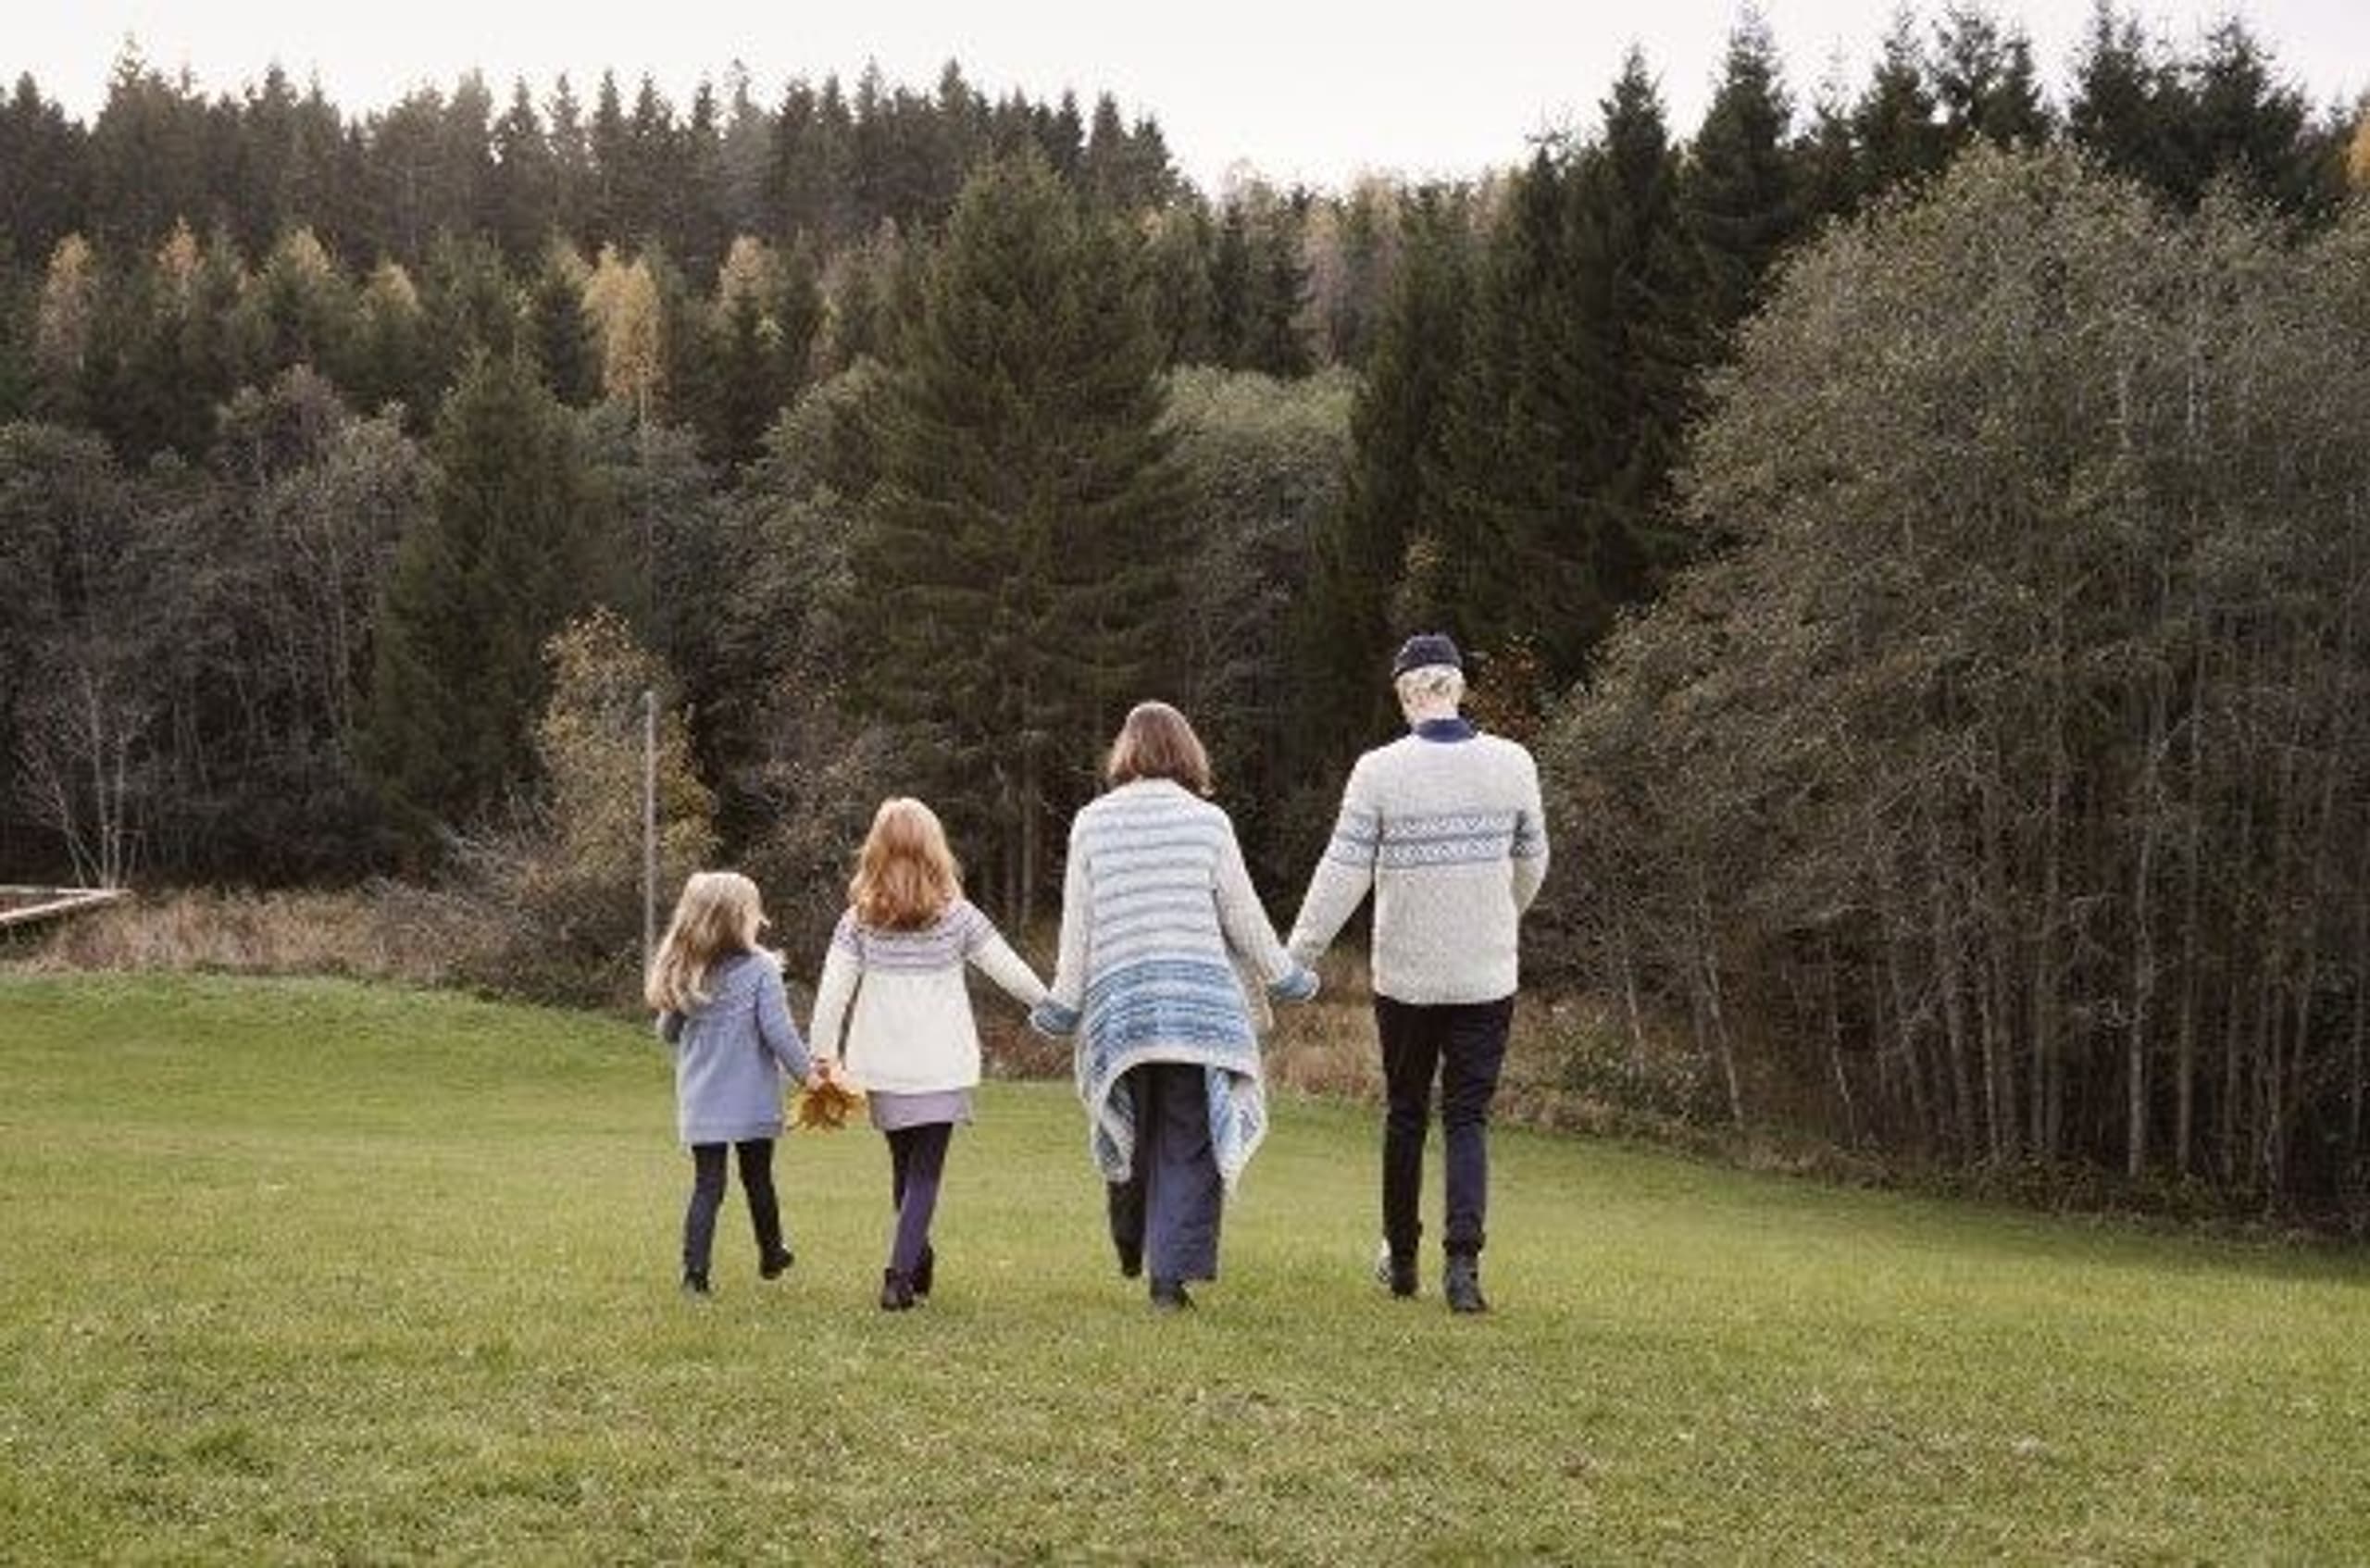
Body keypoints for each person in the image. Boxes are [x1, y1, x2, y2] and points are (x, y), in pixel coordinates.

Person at [1286, 634, 1549, 1313]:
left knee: (1405, 1114)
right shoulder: (1513, 764)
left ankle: (1402, 1260)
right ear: (1458, 688)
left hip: (1406, 977)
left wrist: (1299, 956)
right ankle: (1463, 1269)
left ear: (1406, 695)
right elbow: (1532, 863)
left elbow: (1341, 872)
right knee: (1468, 1117)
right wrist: (1498, 915)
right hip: (1486, 974)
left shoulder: (1379, 771)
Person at [1031, 702, 1318, 1310]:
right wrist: (1287, 977)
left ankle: (1131, 1238)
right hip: (1199, 1011)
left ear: (1125, 752)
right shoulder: (1207, 822)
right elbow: (1244, 917)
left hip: (1122, 1009)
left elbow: (1079, 928)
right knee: (1188, 1136)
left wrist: (1064, 1003)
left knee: (1131, 1126)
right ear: (1188, 752)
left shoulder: (1092, 823)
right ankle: (1169, 1277)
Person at [807, 798, 1048, 1311]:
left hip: (881, 1064)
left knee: (904, 1169)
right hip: (941, 1063)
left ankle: (916, 1258)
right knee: (924, 1173)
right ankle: (899, 1276)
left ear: (876, 850)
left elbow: (832, 995)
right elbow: (1009, 970)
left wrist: (823, 1056)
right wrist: (1053, 1008)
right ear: (934, 850)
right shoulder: (958, 917)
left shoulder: (858, 920)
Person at [647, 870, 822, 1298]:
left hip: (702, 1100)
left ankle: (695, 1275)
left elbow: (667, 1033)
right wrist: (810, 1076)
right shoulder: (761, 969)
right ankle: (771, 1253)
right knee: (758, 1177)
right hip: (752, 1100)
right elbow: (779, 1032)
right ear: (738, 919)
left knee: (708, 1185)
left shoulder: (688, 971)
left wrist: (687, 1010)